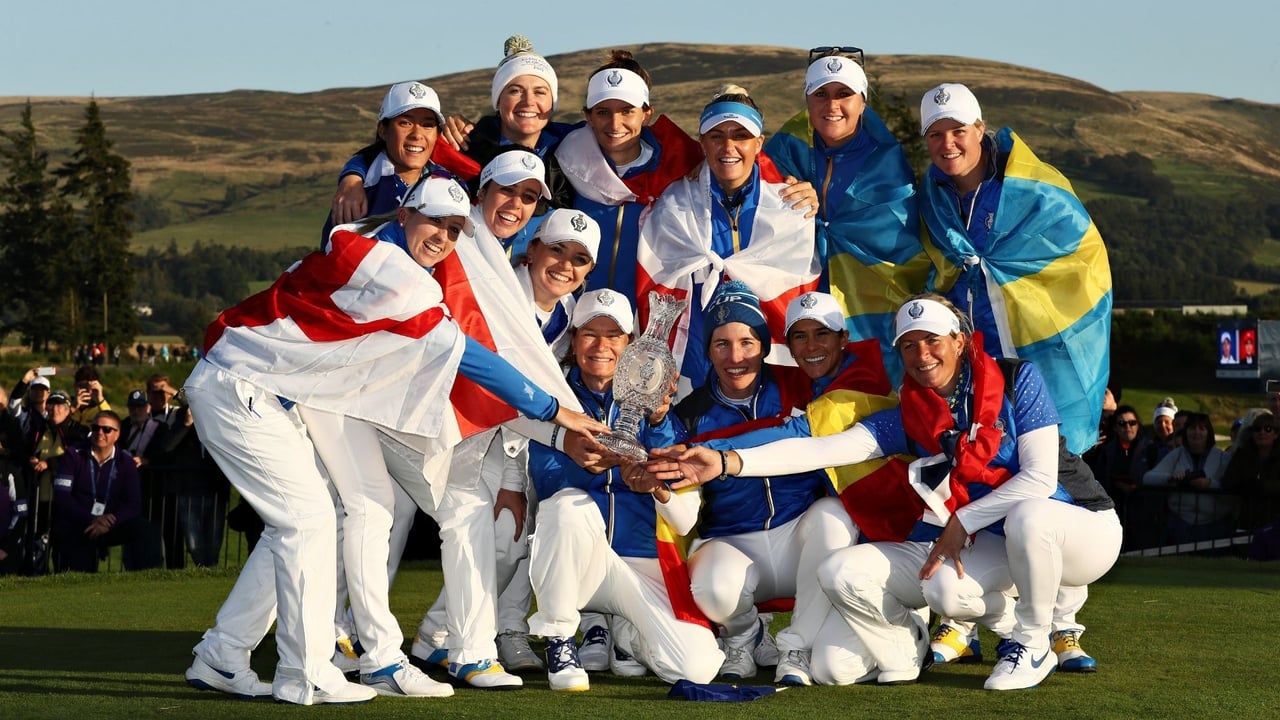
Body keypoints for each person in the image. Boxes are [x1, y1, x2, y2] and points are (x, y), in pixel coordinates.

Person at [182, 176, 605, 705]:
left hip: (276, 389)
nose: (444, 238)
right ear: (404, 216)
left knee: (350, 510)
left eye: (454, 230)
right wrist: (555, 411)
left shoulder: (366, 242)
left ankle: (226, 654)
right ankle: (308, 671)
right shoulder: (395, 273)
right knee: (309, 521)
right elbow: (467, 356)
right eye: (434, 223)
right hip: (240, 385)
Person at [653, 294, 1121, 690]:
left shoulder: (1018, 378)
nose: (922, 356)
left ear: (958, 341)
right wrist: (729, 462)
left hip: (1083, 527)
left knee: (1030, 517)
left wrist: (962, 522)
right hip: (998, 539)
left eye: (932, 341)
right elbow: (820, 449)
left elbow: (1039, 479)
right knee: (932, 596)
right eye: (910, 345)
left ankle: (1033, 640)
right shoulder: (910, 412)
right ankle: (993, 617)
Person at [673, 284, 872, 686]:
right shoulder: (689, 412)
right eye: (721, 344)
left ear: (764, 346)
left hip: (801, 535)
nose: (735, 357)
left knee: (834, 516)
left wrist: (713, 451)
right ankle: (745, 636)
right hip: (733, 539)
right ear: (707, 350)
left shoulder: (802, 384)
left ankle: (797, 644)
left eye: (747, 342)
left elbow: (808, 433)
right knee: (712, 587)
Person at [526, 289, 723, 691]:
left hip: (640, 561)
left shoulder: (657, 410)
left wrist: (654, 480)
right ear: (573, 340)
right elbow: (549, 482)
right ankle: (561, 638)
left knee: (697, 667)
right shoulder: (555, 402)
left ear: (631, 347)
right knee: (566, 507)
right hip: (582, 560)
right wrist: (612, 460)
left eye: (614, 336)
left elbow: (684, 509)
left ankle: (626, 635)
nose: (601, 346)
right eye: (589, 334)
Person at [918, 83, 1112, 458]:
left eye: (958, 131)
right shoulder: (930, 193)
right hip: (974, 353)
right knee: (984, 461)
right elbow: (936, 265)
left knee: (1048, 464)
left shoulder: (1031, 186)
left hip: (1035, 342)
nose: (948, 144)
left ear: (979, 128)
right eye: (936, 134)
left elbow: (1081, 255)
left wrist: (1004, 271)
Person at [636, 85, 819, 394]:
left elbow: (801, 292)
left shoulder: (790, 205)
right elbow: (654, 288)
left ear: (759, 143)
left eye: (741, 136)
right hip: (693, 366)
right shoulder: (673, 204)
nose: (728, 147)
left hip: (770, 368)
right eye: (717, 136)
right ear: (702, 142)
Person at [764, 47, 928, 381]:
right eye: (820, 94)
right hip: (799, 302)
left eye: (844, 94)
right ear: (807, 100)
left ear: (862, 101)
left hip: (871, 307)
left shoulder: (888, 166)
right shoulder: (783, 153)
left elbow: (903, 252)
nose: (832, 105)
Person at [553, 50, 704, 301]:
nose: (614, 124)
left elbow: (740, 163)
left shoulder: (681, 167)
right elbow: (509, 136)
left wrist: (788, 181)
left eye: (627, 111)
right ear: (587, 116)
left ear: (646, 114)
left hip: (643, 317)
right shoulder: (561, 161)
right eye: (602, 112)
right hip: (575, 316)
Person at [321, 80, 451, 242]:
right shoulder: (358, 193)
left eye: (427, 125)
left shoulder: (446, 182)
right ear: (383, 130)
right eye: (406, 123)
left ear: (437, 134)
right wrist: (352, 176)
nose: (417, 134)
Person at [50, 411, 161, 573]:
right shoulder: (73, 455)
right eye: (95, 428)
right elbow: (62, 497)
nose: (100, 433)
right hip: (80, 522)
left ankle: (147, 577)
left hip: (111, 524)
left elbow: (133, 504)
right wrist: (91, 518)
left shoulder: (126, 462)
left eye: (106, 429)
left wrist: (110, 520)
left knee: (144, 529)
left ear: (117, 435)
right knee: (77, 568)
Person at [1142, 412, 1233, 545]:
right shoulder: (1177, 454)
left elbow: (1231, 485)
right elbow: (1148, 478)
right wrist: (1170, 478)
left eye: (1201, 428)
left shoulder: (1222, 457)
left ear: (1209, 432)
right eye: (1192, 428)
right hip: (1180, 524)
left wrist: (1209, 484)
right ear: (1186, 432)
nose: (1196, 432)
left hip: (1214, 525)